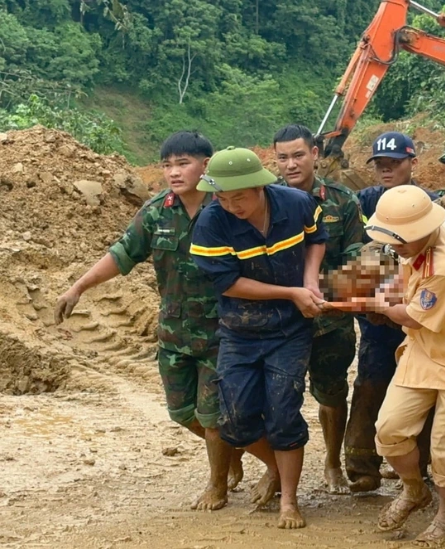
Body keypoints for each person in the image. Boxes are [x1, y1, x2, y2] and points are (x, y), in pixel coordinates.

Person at [54, 131, 253, 512]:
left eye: (183, 163)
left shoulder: (228, 207)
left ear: (205, 165)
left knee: (213, 417)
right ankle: (231, 453)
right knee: (182, 413)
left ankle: (218, 485)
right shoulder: (157, 210)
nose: (173, 172)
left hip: (223, 330)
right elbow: (123, 253)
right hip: (175, 330)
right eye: (167, 165)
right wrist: (78, 287)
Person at [330, 185, 445, 547]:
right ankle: (413, 490)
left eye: (400, 242)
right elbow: (399, 273)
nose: (395, 248)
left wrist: (372, 303)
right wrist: (347, 288)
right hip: (427, 349)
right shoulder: (415, 239)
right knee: (390, 430)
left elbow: (411, 317)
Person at [190, 146, 328, 529]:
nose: (231, 205)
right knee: (235, 420)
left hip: (290, 330)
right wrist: (292, 293)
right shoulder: (211, 222)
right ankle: (275, 467)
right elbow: (228, 283)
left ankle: (290, 499)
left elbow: (318, 236)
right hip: (240, 331)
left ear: (260, 188)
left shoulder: (297, 203)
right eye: (222, 197)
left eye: (239, 197)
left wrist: (310, 280)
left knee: (284, 411)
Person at [345, 132, 445, 493]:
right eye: (380, 164)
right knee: (370, 384)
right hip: (378, 320)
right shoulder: (364, 200)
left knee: (422, 392)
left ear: (412, 163)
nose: (386, 169)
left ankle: (418, 469)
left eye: (395, 163)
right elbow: (355, 255)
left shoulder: (431, 203)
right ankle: (361, 468)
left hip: (419, 316)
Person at [273, 124, 365, 494]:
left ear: (315, 154)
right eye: (283, 158)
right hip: (280, 319)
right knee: (278, 397)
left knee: (331, 393)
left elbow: (357, 256)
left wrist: (332, 292)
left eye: (298, 155)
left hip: (331, 319)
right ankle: (277, 470)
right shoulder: (267, 200)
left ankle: (331, 463)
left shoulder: (343, 202)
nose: (291, 164)